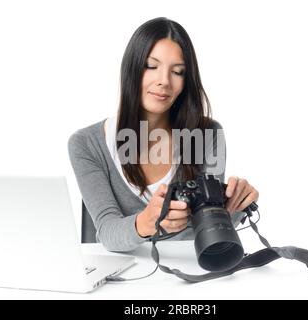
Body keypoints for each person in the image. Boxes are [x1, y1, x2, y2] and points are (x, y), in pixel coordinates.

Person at [68, 17, 259, 252]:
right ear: (132, 69)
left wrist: (235, 206)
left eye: (177, 72)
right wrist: (144, 223)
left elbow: (208, 227)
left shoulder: (207, 134)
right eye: (151, 66)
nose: (164, 81)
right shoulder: (87, 144)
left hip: (193, 270)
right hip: (125, 276)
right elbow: (107, 232)